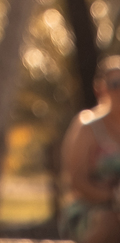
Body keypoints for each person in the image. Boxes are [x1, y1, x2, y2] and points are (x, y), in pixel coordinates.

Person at [61, 58, 120, 243]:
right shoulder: (88, 126)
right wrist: (113, 197)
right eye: (115, 84)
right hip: (92, 210)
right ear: (100, 89)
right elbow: (76, 181)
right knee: (110, 223)